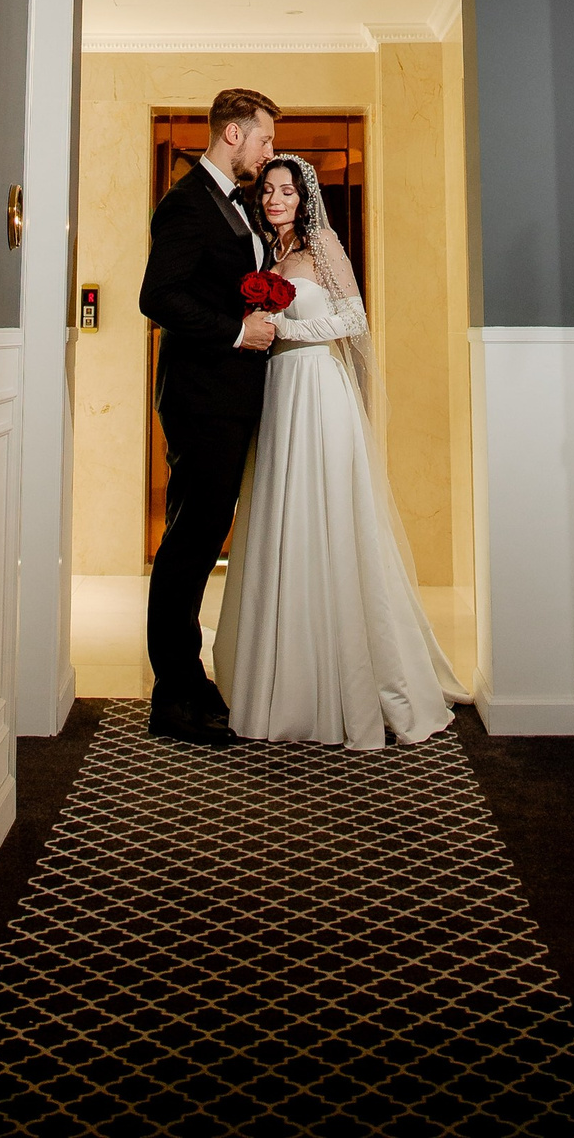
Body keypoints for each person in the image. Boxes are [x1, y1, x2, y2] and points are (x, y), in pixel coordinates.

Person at [213, 153, 458, 750]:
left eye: (286, 191)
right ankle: (280, 677)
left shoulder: (322, 245)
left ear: (304, 199)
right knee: (282, 519)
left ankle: (347, 681)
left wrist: (285, 329)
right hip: (279, 393)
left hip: (319, 388)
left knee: (328, 518)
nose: (275, 199)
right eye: (268, 191)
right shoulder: (265, 255)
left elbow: (353, 318)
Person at [138, 88, 282, 746]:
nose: (269, 150)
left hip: (230, 396)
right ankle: (172, 696)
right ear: (232, 135)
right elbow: (158, 296)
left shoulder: (236, 202)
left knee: (202, 539)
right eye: (264, 138)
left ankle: (189, 681)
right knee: (189, 542)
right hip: (201, 398)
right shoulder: (186, 202)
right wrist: (236, 331)